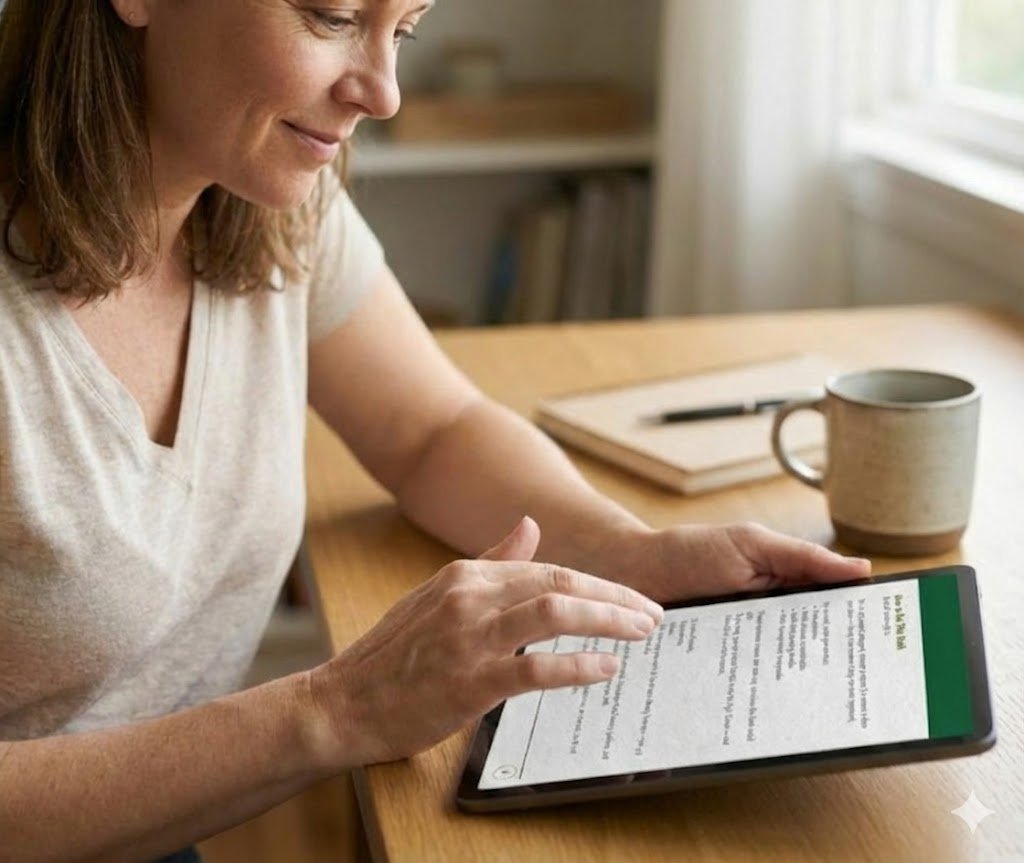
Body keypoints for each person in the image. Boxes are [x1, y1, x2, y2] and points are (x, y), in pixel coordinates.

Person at [0, 2, 870, 860]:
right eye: (332, 17)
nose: (384, 93)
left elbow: (429, 427)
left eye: (403, 29)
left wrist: (625, 551)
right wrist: (340, 710)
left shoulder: (264, 199)